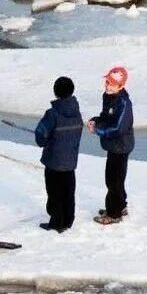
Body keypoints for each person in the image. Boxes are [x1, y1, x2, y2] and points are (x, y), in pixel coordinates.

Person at [35, 76, 83, 233]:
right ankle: (68, 220)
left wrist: (45, 139)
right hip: (70, 162)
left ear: (55, 92)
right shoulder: (77, 113)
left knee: (54, 192)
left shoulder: (52, 114)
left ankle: (57, 223)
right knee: (68, 191)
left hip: (54, 162)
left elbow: (41, 135)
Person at [87, 67, 134, 225]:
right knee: (115, 179)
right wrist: (96, 121)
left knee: (113, 180)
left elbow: (118, 128)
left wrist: (97, 130)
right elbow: (106, 117)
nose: (108, 86)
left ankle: (114, 214)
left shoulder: (124, 103)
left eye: (112, 83)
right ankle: (120, 206)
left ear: (121, 86)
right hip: (113, 145)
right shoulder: (107, 97)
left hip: (121, 146)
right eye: (107, 82)